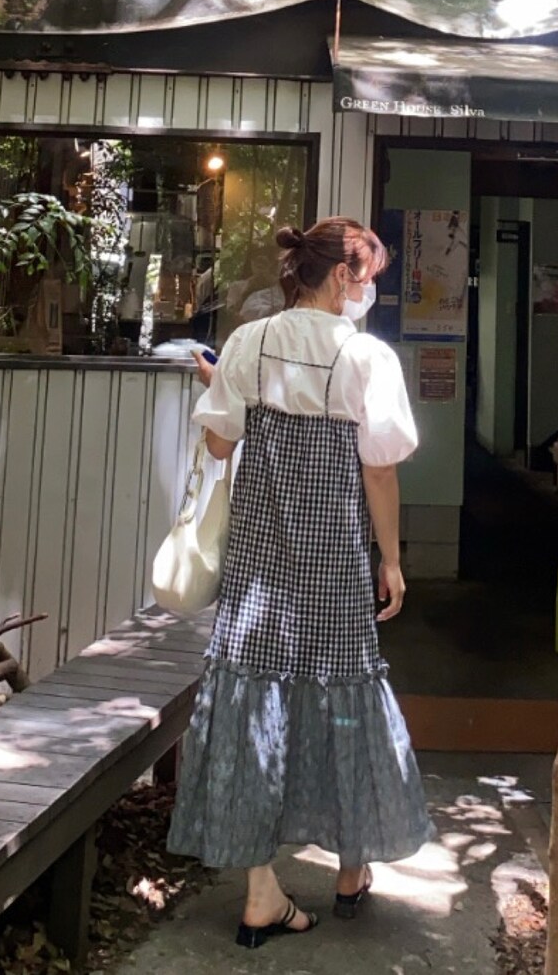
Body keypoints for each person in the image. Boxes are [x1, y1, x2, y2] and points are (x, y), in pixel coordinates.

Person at [167, 217, 433, 948]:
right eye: (370, 275)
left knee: (254, 699)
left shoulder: (249, 342)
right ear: (345, 275)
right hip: (334, 560)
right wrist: (391, 560)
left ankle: (260, 892)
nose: (371, 289)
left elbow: (220, 442)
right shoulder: (367, 357)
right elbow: (379, 469)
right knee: (345, 699)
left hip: (259, 558)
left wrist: (222, 383)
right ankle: (351, 869)